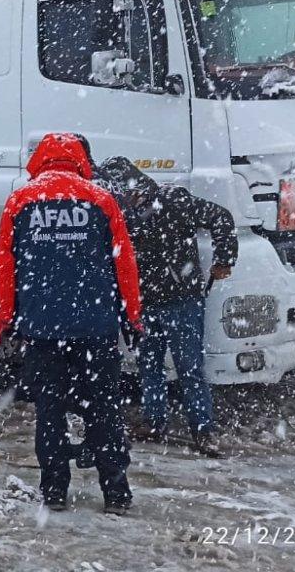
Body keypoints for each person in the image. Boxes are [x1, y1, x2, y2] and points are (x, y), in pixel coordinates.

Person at [0, 133, 143, 515]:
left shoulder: (20, 201)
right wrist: (131, 317)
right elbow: (124, 265)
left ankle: (55, 490)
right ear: (79, 160)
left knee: (50, 412)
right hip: (96, 329)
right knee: (105, 410)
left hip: (42, 332)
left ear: (40, 159)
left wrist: (5, 320)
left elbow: (7, 270)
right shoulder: (101, 200)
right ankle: (117, 493)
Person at [98, 157, 237, 458]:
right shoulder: (121, 211)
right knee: (150, 365)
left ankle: (202, 429)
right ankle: (155, 423)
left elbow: (221, 217)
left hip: (182, 302)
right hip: (148, 303)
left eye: (124, 193)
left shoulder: (174, 200)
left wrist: (225, 259)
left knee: (189, 368)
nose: (124, 198)